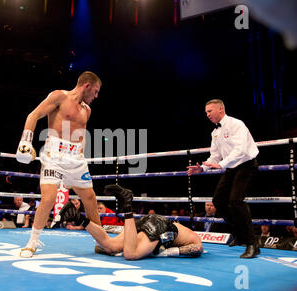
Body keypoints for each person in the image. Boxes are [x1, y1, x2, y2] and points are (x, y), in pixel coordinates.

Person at [15, 71, 103, 257]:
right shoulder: (59, 96)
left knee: (91, 199)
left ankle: (101, 242)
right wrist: (25, 142)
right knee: (48, 198)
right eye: (95, 91)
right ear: (86, 85)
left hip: (76, 160)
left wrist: (81, 156)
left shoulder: (86, 110)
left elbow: (81, 135)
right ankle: (32, 242)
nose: (96, 96)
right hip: (54, 155)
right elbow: (34, 115)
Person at [187, 99, 259, 258]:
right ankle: (240, 234)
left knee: (236, 200)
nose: (207, 115)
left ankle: (252, 243)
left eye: (210, 111)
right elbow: (215, 155)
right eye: (206, 112)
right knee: (218, 200)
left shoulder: (236, 124)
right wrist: (203, 168)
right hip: (231, 167)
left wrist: (222, 164)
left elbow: (241, 150)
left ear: (220, 109)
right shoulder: (215, 132)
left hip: (246, 164)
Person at [60, 185, 203, 260]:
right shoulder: (193, 239)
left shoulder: (186, 235)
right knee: (131, 254)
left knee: (109, 246)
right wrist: (166, 252)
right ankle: (127, 205)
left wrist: (163, 250)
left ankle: (79, 218)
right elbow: (198, 249)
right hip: (161, 226)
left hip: (150, 222)